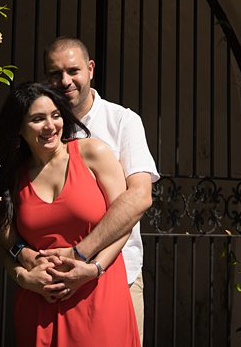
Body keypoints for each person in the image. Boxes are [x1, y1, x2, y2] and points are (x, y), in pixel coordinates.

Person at [9, 36, 159, 345]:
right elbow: (4, 217)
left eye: (73, 70)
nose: (65, 81)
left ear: (90, 69)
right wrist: (24, 267)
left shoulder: (122, 121)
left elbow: (139, 197)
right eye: (55, 73)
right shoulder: (38, 136)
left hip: (117, 276)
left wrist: (84, 259)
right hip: (47, 290)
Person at [0, 81, 140, 347]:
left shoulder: (93, 152)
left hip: (98, 293)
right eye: (37, 119)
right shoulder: (13, 177)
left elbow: (124, 223)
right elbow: (6, 244)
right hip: (39, 302)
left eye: (55, 115)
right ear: (19, 128)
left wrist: (93, 268)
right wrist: (24, 277)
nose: (50, 126)